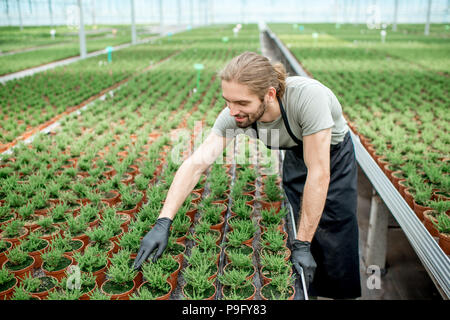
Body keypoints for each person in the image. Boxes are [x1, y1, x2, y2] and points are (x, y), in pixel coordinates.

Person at [133, 51, 361, 299]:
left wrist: (303, 245)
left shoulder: (308, 99)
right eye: (228, 101)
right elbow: (196, 164)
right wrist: (163, 221)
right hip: (296, 154)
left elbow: (318, 173)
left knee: (335, 230)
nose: (233, 111)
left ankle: (338, 292)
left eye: (241, 103)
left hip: (332, 156)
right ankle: (309, 290)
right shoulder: (234, 115)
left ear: (270, 94)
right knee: (298, 221)